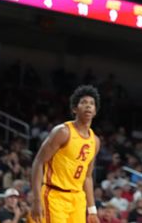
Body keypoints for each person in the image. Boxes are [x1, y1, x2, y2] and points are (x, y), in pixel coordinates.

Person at [30, 85, 100, 223]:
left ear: (95, 111)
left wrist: (92, 210)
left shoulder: (95, 141)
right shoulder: (63, 132)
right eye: (84, 103)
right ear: (75, 109)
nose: (88, 106)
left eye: (92, 104)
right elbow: (38, 163)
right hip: (55, 195)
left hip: (77, 199)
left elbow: (87, 177)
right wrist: (36, 199)